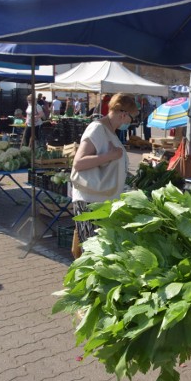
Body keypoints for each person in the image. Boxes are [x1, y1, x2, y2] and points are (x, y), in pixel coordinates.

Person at [70, 93, 137, 259]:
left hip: (100, 199)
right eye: (131, 117)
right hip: (90, 201)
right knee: (92, 254)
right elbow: (79, 163)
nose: (130, 122)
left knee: (99, 254)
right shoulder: (97, 128)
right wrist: (111, 156)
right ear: (123, 114)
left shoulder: (109, 131)